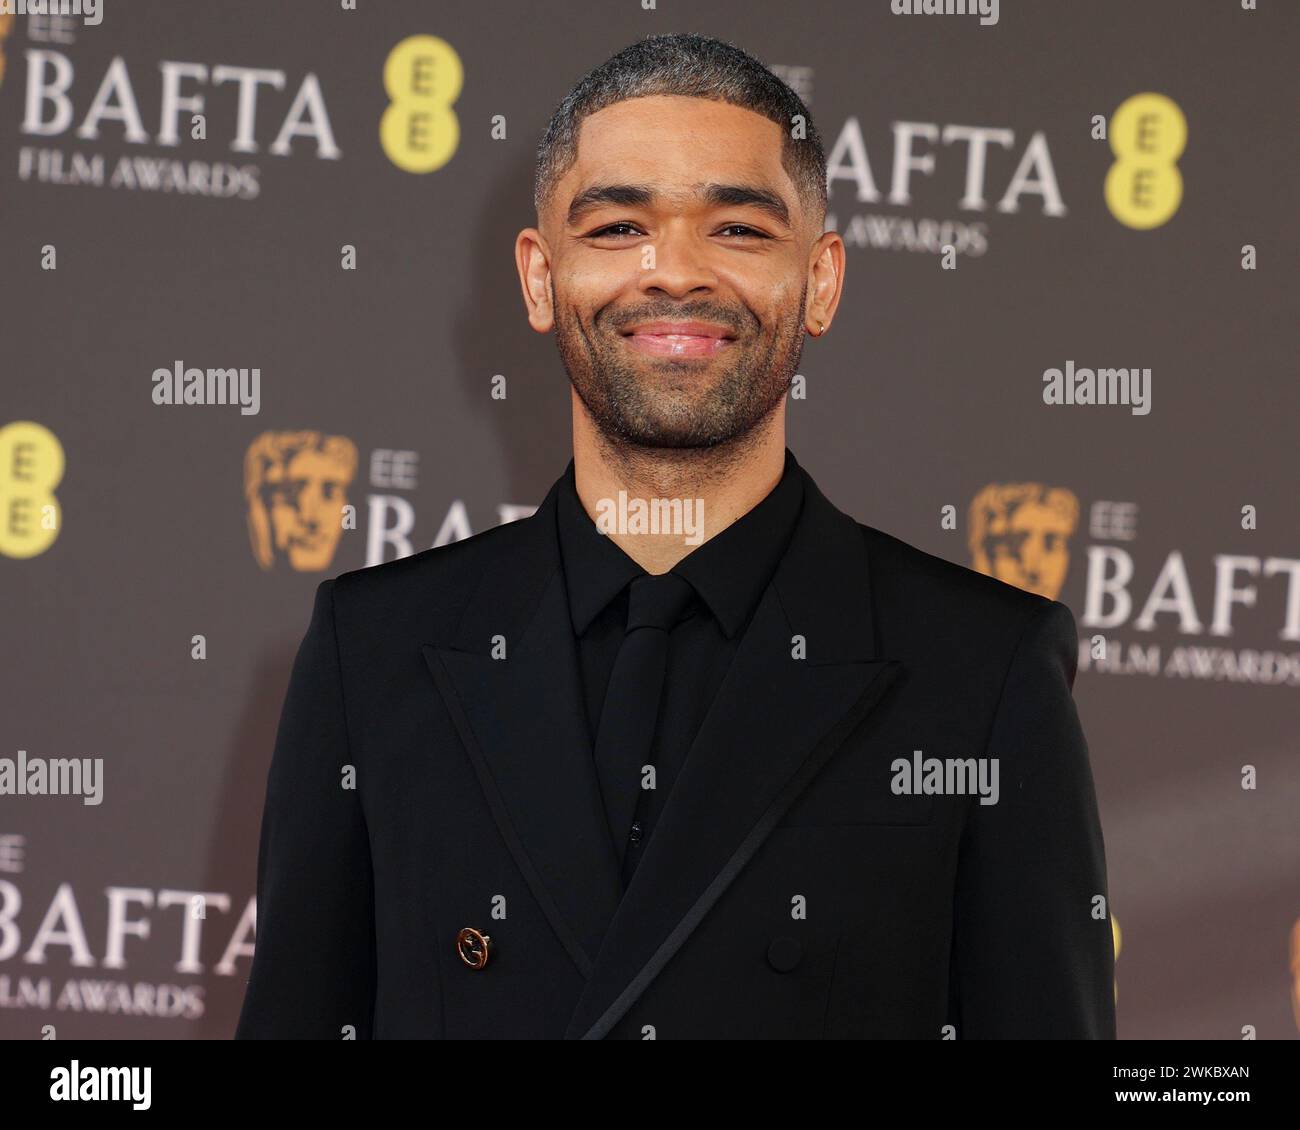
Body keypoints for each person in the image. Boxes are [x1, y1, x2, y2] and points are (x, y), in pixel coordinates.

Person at [236, 32, 1114, 1040]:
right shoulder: (374, 647)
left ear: (820, 281)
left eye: (737, 228)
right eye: (617, 226)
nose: (676, 274)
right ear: (537, 277)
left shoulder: (981, 668)